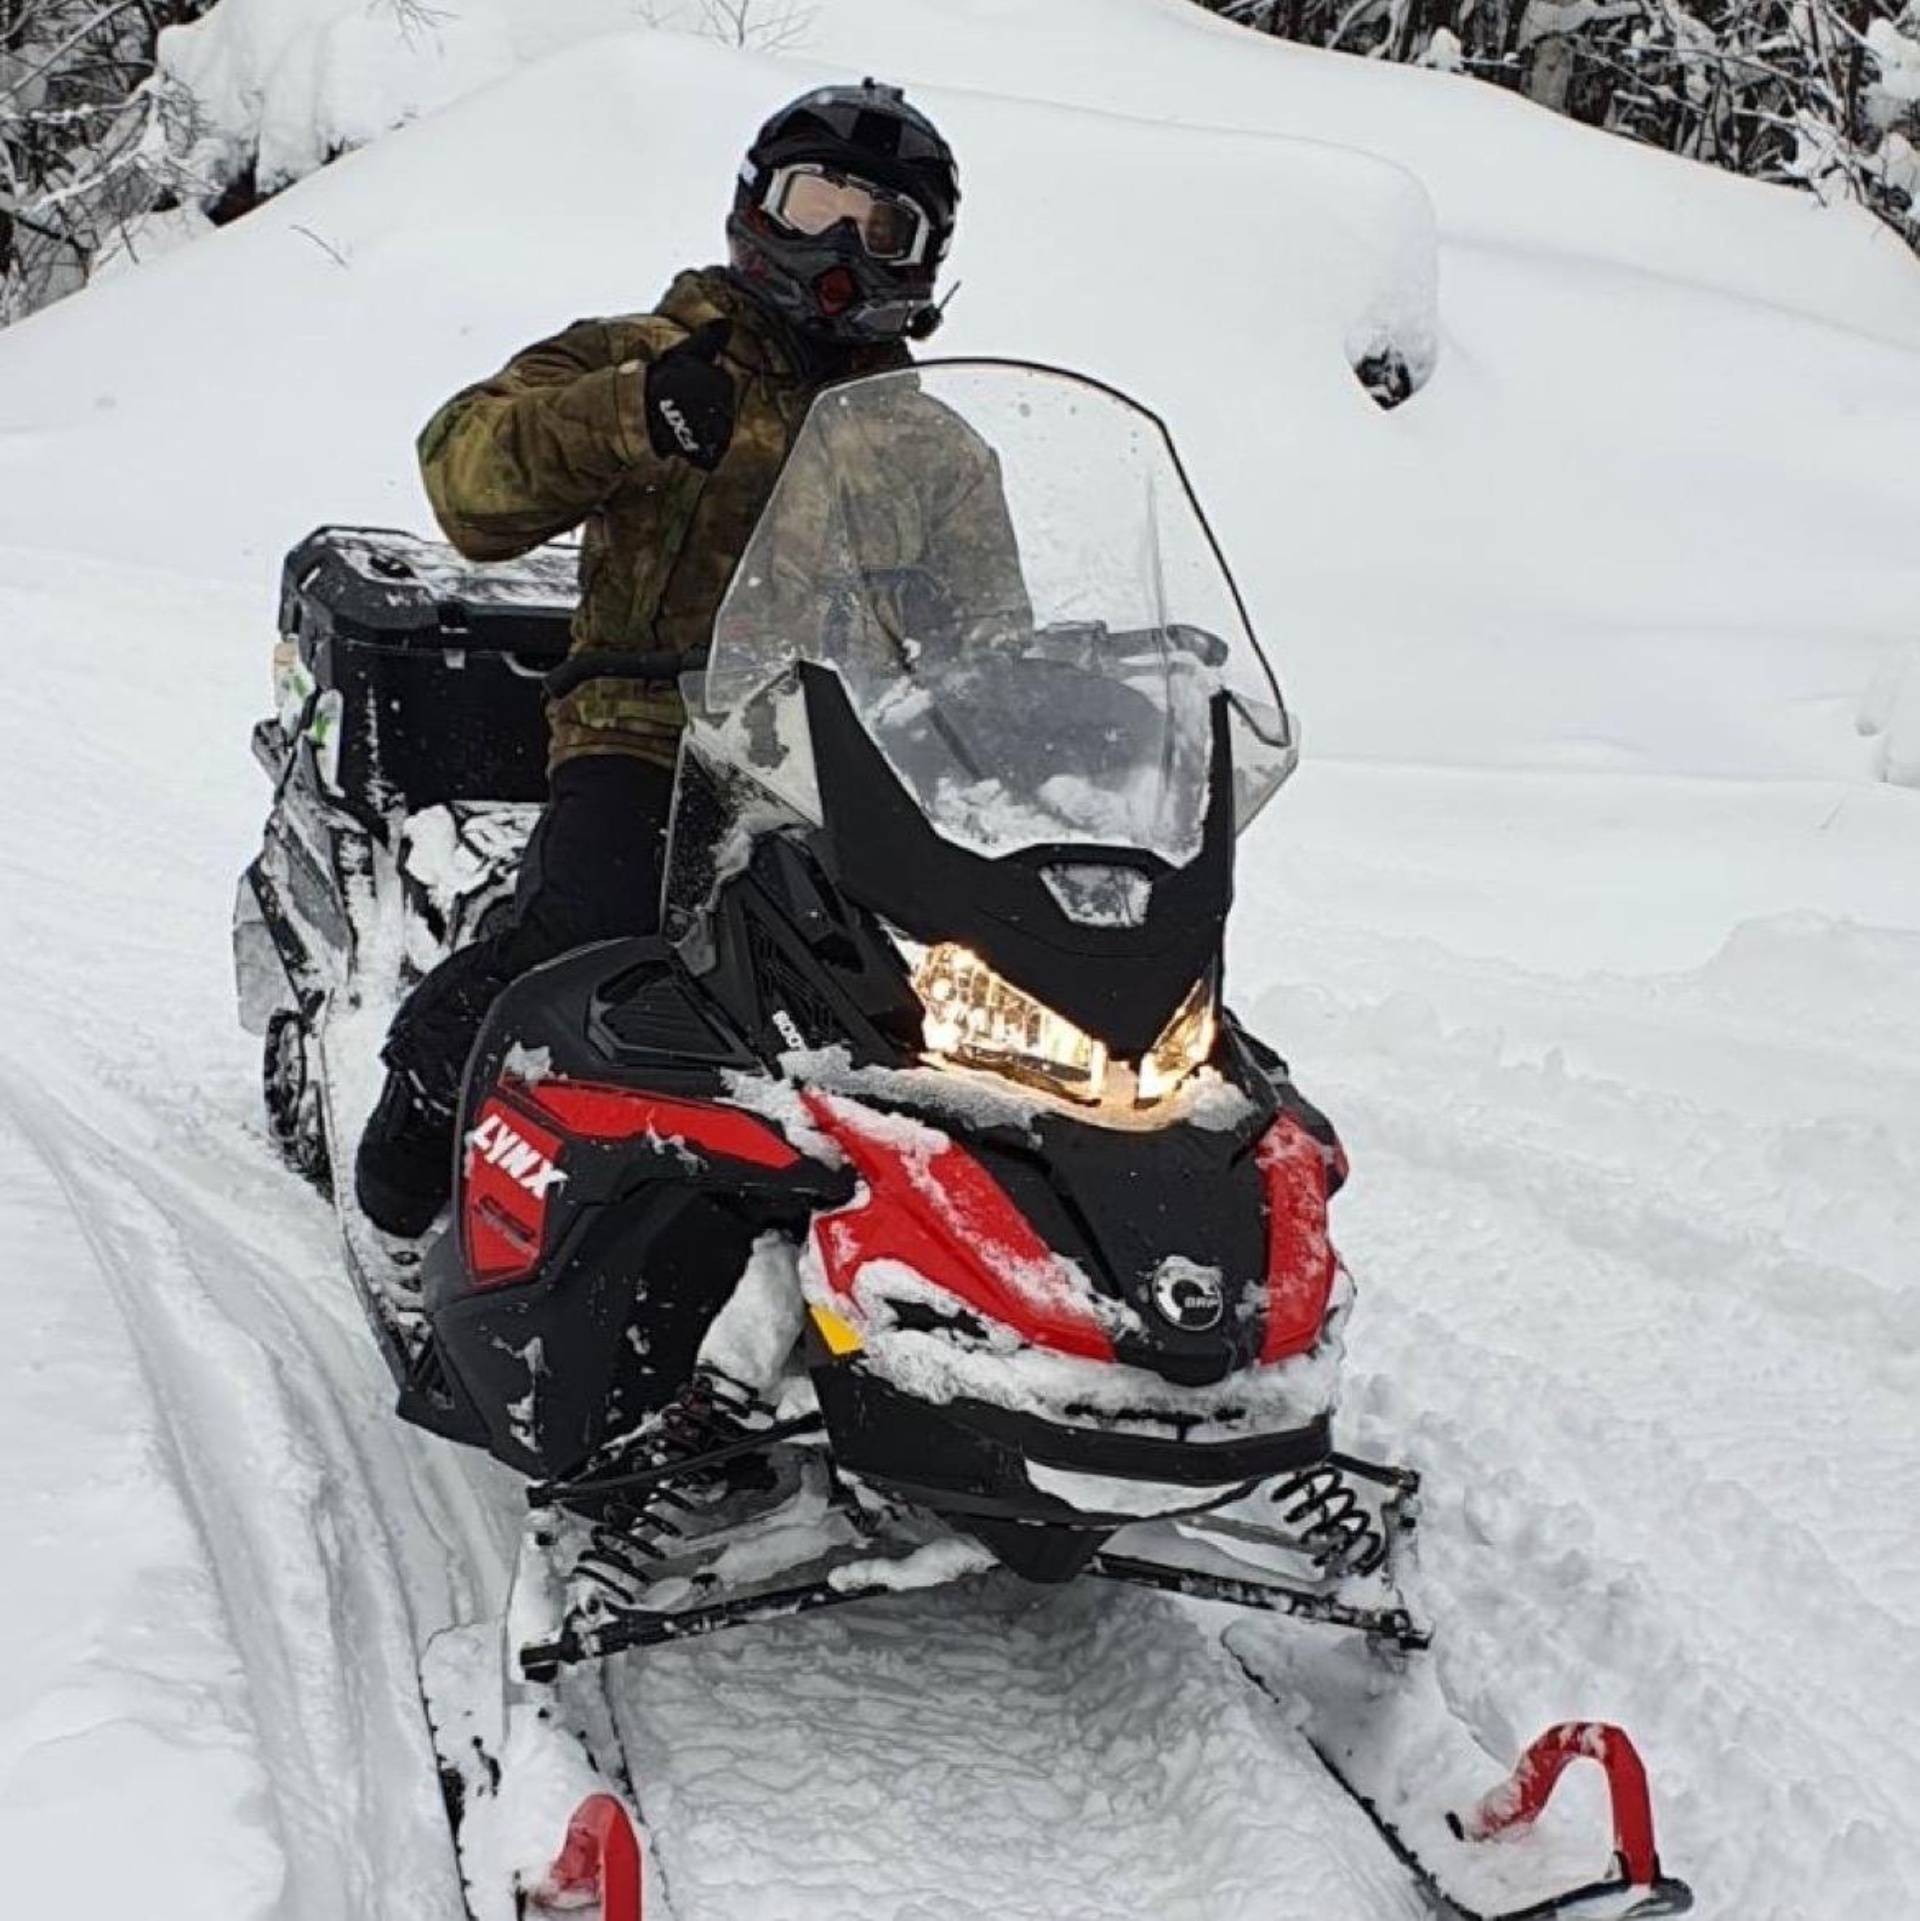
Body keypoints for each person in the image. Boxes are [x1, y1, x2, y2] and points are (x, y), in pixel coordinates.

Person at [355, 79, 965, 1239]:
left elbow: (991, 644)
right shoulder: (648, 352)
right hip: (649, 731)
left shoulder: (934, 450)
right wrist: (628, 413)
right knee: (590, 939)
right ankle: (416, 1136)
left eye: (881, 225)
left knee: (955, 1008)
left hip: (850, 771)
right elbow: (466, 480)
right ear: (757, 208)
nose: (844, 243)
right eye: (818, 203)